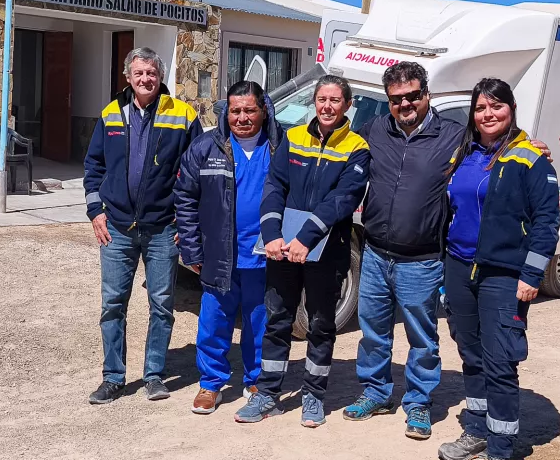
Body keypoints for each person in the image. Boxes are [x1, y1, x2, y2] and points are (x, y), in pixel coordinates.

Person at [437, 77, 560, 460]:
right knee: (470, 354)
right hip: (458, 266)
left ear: (511, 109)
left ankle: (501, 452)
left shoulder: (531, 158)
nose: (488, 115)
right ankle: (475, 431)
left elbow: (547, 221)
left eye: (497, 107)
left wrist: (531, 275)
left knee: (500, 362)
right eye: (480, 108)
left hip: (503, 274)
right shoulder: (463, 152)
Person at [235, 75, 370, 428]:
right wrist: (272, 235)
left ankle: (313, 394)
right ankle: (267, 394)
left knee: (321, 324)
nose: (327, 106)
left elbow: (342, 200)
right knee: (277, 321)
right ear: (314, 101)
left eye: (335, 100)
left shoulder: (357, 147)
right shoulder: (293, 138)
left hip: (328, 250)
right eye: (322, 99)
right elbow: (274, 186)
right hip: (283, 250)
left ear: (347, 105)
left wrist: (306, 237)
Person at [343, 61, 464, 440]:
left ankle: (418, 404)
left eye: (413, 96)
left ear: (427, 95)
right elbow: (332, 146)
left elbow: (499, 143)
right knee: (374, 333)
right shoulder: (374, 130)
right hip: (376, 253)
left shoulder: (456, 137)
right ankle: (377, 393)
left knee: (422, 339)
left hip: (423, 259)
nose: (406, 104)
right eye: (397, 98)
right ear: (388, 100)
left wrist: (529, 143)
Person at [83, 47, 202, 405]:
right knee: (113, 304)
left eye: (151, 72)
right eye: (139, 73)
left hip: (163, 227)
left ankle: (154, 375)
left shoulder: (182, 115)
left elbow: (195, 173)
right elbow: (93, 166)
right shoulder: (110, 114)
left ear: (160, 75)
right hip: (117, 226)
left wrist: (187, 218)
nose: (145, 79)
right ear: (127, 77)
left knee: (162, 303)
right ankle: (113, 378)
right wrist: (95, 212)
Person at [174, 80, 283, 414]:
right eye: (236, 110)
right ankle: (211, 384)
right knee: (214, 320)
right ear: (227, 112)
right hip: (220, 254)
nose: (242, 117)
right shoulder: (206, 147)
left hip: (266, 255)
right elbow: (184, 199)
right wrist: (191, 250)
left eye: (250, 110)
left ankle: (255, 380)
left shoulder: (281, 148)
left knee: (259, 321)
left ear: (263, 110)